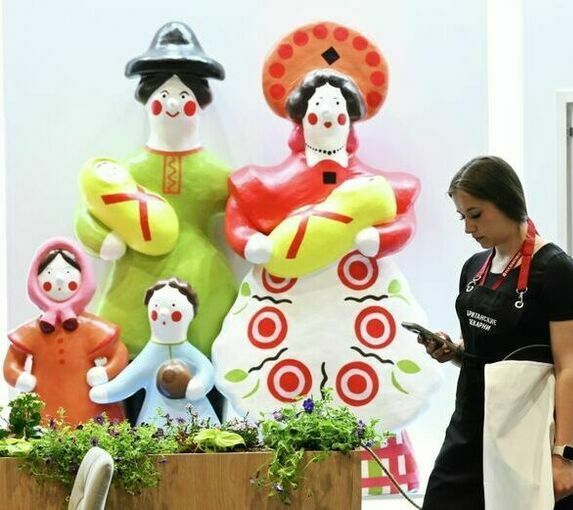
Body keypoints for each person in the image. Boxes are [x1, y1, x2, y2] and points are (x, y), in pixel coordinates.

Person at [213, 21, 441, 496]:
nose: (328, 116)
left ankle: (377, 463)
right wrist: (250, 242)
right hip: (286, 293)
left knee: (372, 367)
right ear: (301, 118)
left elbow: (402, 218)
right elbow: (241, 215)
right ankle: (288, 469)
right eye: (318, 108)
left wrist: (380, 239)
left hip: (359, 286)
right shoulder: (267, 183)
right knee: (282, 369)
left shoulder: (372, 186)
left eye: (337, 108)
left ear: (351, 118)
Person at [74, 22, 236, 422]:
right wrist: (103, 237)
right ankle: (131, 427)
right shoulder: (127, 172)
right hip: (134, 284)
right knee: (129, 351)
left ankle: (213, 432)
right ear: (147, 102)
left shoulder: (213, 173)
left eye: (184, 97)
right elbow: (90, 214)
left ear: (200, 103)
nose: (174, 105)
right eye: (164, 96)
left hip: (205, 284)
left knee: (210, 352)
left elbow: (242, 203)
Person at [419, 156, 573, 509]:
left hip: (527, 434)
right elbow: (488, 350)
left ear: (507, 201)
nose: (469, 228)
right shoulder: (474, 267)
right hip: (469, 427)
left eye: (476, 214)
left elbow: (570, 369)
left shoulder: (556, 271)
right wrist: (455, 351)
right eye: (462, 217)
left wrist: (563, 455)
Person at [4, 238, 128, 424]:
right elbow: (12, 361)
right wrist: (19, 377)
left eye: (67, 273)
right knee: (42, 427)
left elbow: (118, 352)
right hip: (44, 405)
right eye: (50, 274)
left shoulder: (91, 326)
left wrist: (106, 372)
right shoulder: (34, 330)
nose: (59, 279)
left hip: (89, 407)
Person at [90, 278, 219, 427]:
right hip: (157, 423)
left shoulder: (189, 353)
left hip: (198, 420)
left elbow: (207, 370)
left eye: (173, 307)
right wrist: (106, 392)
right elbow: (129, 379)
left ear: (189, 314)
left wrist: (200, 384)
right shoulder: (150, 356)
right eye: (157, 307)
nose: (163, 312)